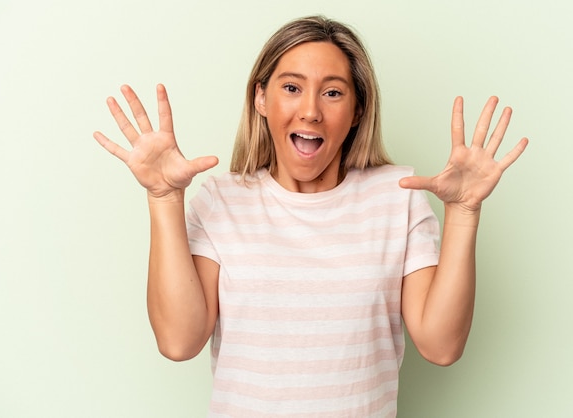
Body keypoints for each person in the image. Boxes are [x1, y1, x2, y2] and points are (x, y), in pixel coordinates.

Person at [93, 15, 528, 418]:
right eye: (291, 87)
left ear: (357, 110)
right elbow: (178, 341)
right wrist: (165, 198)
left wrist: (464, 211)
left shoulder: (398, 197)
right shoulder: (221, 200)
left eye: (333, 91)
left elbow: (442, 345)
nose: (311, 111)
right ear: (261, 98)